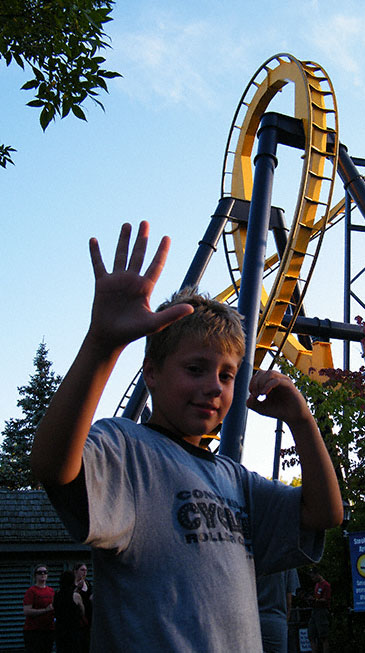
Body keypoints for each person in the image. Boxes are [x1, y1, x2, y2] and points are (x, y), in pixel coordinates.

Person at [30, 221, 344, 652]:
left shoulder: (237, 480)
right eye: (195, 369)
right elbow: (52, 466)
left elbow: (325, 513)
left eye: (227, 375)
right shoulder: (128, 449)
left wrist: (302, 420)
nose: (214, 386)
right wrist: (102, 345)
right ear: (152, 374)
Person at [257, 568, 300, 652]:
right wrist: (285, 621)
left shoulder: (249, 557)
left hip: (252, 620)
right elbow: (289, 599)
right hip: (277, 621)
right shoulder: (287, 558)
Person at [22, 564, 55, 653]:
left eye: (45, 572)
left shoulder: (51, 591)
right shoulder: (31, 591)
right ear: (35, 575)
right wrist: (45, 610)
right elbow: (27, 611)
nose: (43, 574)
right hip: (34, 631)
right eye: (40, 572)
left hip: (48, 630)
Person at [53, 570, 86, 653]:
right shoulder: (76, 596)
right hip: (73, 629)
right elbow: (82, 611)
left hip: (60, 629)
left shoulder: (57, 594)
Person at [307, 570, 332, 653]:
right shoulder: (317, 585)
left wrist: (315, 600)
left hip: (322, 611)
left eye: (313, 576)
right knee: (311, 635)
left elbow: (326, 599)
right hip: (315, 611)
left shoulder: (326, 585)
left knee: (323, 636)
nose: (312, 579)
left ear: (318, 574)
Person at [73, 562, 92, 651]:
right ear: (76, 571)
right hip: (76, 616)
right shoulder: (72, 584)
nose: (84, 572)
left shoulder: (87, 584)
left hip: (88, 616)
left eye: (86, 570)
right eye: (82, 570)